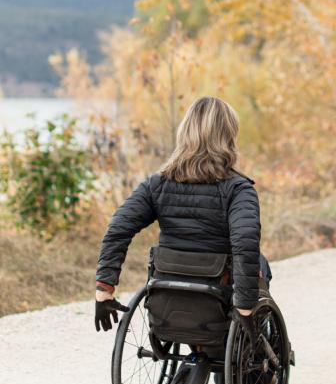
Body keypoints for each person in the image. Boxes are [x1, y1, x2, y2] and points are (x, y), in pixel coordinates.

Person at [92, 95, 270, 334]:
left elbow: (118, 229)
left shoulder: (157, 184)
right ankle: (256, 351)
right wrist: (246, 308)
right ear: (228, 137)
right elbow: (245, 242)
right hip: (218, 293)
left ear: (184, 133)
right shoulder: (238, 189)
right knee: (259, 262)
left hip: (166, 291)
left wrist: (104, 289)